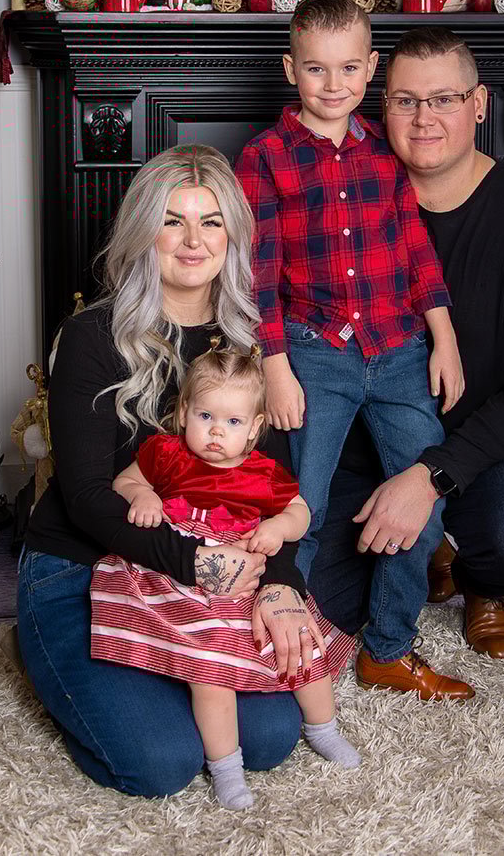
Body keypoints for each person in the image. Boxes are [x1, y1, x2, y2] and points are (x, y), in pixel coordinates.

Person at [17, 145, 326, 798]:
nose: (193, 240)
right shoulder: (92, 335)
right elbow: (86, 497)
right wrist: (197, 565)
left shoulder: (252, 347)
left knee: (269, 739)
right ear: (143, 230)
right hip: (85, 562)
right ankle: (50, 650)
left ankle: (167, 665)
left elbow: (278, 489)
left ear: (233, 235)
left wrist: (278, 585)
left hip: (208, 575)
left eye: (211, 221)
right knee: (163, 763)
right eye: (173, 220)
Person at [309, 27, 504, 660]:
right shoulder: (348, 198)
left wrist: (430, 477)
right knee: (319, 600)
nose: (424, 118)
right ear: (384, 108)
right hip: (363, 441)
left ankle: (481, 580)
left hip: (484, 441)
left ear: (479, 104)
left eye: (444, 100)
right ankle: (427, 545)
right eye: (406, 101)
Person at [236, 0, 474, 702]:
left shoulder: (383, 152)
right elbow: (257, 272)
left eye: (348, 67)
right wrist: (275, 364)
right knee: (300, 506)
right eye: (316, 68)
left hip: (398, 348)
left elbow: (415, 246)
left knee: (426, 495)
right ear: (291, 69)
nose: (333, 83)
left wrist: (444, 335)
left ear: (370, 67)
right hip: (313, 351)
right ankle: (286, 642)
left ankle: (389, 647)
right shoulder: (266, 157)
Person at [91, 342, 358, 811]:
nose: (216, 432)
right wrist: (143, 497)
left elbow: (300, 512)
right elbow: (123, 482)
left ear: (255, 430)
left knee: (298, 646)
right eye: (205, 416)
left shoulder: (263, 474)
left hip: (246, 576)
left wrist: (277, 527)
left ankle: (325, 728)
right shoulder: (166, 455)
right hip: (182, 579)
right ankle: (227, 770)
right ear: (183, 415)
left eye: (233, 422)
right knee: (209, 675)